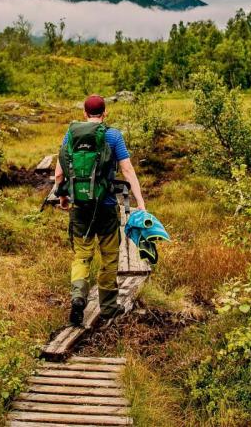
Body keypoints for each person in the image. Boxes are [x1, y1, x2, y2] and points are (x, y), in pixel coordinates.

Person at [54, 94, 146, 327]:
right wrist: (140, 201)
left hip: (80, 208)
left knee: (81, 256)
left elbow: (59, 171)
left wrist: (64, 198)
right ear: (105, 113)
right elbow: (127, 170)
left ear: (84, 113)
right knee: (109, 257)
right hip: (105, 208)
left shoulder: (71, 134)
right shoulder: (113, 135)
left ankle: (78, 298)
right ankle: (108, 307)